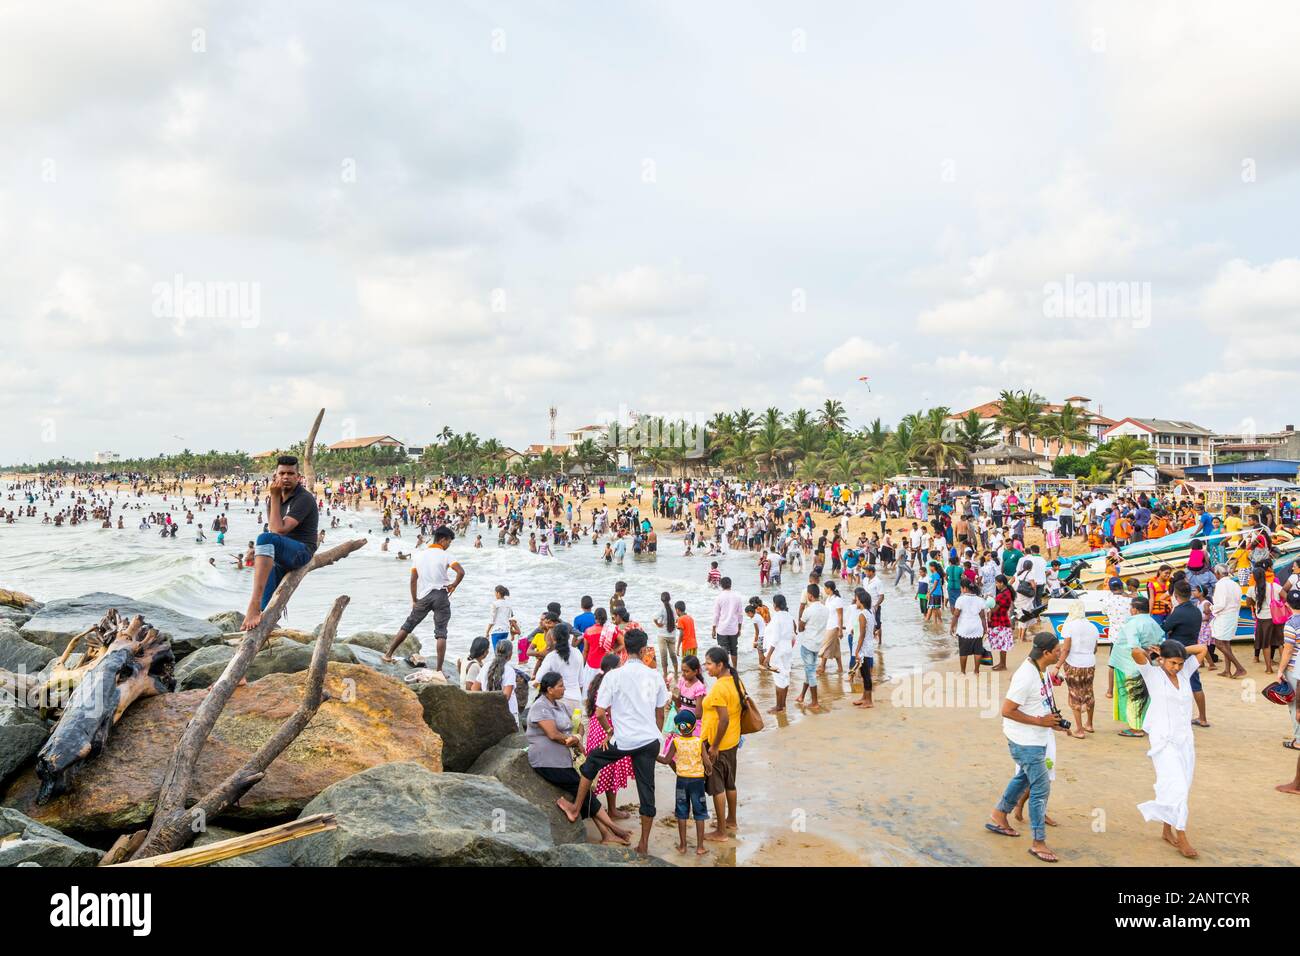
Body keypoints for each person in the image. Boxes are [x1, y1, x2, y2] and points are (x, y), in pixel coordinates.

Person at [558, 630, 668, 855]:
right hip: (649, 740)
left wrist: (609, 731)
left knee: (591, 764)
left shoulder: (613, 676)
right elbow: (660, 714)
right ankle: (644, 844)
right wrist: (654, 733)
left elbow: (599, 712)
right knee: (647, 790)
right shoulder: (654, 675)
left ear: (624, 649)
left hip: (624, 739)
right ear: (645, 649)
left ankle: (575, 807)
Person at [527, 672, 631, 846]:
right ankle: (612, 828)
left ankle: (607, 833)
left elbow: (580, 724)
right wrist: (571, 739)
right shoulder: (540, 707)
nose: (564, 688)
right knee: (582, 790)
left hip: (564, 761)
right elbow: (552, 734)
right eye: (560, 685)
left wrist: (577, 737)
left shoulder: (561, 706)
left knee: (581, 793)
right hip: (547, 762)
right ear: (549, 689)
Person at [986, 632, 1065, 863]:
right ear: (1046, 653)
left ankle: (999, 815)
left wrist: (1054, 723)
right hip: (1024, 740)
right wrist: (1040, 722)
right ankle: (1038, 842)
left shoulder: (1039, 670)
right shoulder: (1026, 675)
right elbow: (1007, 710)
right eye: (1057, 650)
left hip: (1036, 737)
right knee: (1041, 788)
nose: (1060, 653)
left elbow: (1039, 702)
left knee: (1024, 778)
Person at [1131, 639, 1210, 858]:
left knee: (1180, 784)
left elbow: (1203, 648)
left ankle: (1166, 829)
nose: (1176, 667)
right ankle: (1181, 835)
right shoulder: (1153, 675)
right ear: (1162, 660)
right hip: (1163, 742)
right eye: (1173, 663)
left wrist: (1180, 651)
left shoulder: (1185, 674)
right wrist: (1155, 651)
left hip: (1185, 740)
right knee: (1177, 786)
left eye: (1180, 663)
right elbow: (1135, 653)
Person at [241, 455, 319, 631]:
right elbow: (274, 531)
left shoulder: (304, 498)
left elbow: (278, 530)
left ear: (298, 477)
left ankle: (253, 605)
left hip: (301, 552)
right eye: (282, 473)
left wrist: (275, 497)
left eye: (291, 473)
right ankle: (265, 620)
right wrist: (258, 550)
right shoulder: (273, 499)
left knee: (264, 538)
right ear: (275, 475)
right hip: (283, 552)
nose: (286, 477)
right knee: (268, 596)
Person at [383, 526, 463, 669]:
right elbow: (461, 572)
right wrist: (453, 585)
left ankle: (388, 654)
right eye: (449, 542)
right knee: (441, 633)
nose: (449, 545)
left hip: (424, 596)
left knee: (408, 625)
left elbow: (413, 580)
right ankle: (439, 670)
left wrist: (414, 600)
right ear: (443, 539)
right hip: (441, 595)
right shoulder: (446, 555)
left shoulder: (419, 555)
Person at [701, 646, 743, 841]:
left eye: (709, 664)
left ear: (720, 664)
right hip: (733, 739)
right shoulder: (735, 681)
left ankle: (721, 831)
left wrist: (714, 746)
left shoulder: (719, 687)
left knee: (717, 786)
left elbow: (723, 719)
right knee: (730, 783)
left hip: (720, 743)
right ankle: (731, 820)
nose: (706, 667)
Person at [657, 709, 712, 855]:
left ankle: (683, 846)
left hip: (681, 781)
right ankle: (700, 847)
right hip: (697, 782)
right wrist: (709, 769)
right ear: (694, 727)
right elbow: (707, 762)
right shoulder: (699, 742)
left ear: (678, 728)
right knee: (699, 813)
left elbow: (666, 760)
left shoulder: (676, 741)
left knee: (682, 812)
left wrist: (653, 755)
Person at [1112, 597, 1165, 737]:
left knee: (1133, 694)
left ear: (1134, 609)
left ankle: (1136, 728)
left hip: (1130, 664)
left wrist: (1145, 655)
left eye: (1131, 608)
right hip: (1149, 664)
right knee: (1144, 694)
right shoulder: (1153, 622)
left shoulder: (1133, 623)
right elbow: (1161, 641)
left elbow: (1133, 646)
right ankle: (1143, 723)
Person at [1161, 579, 1210, 727]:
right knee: (1195, 684)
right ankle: (1202, 718)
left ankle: (1172, 717)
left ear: (1176, 595)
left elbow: (1165, 627)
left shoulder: (1179, 611)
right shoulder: (1196, 610)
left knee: (1169, 683)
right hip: (1192, 649)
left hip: (1176, 651)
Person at [1054, 603, 1099, 737]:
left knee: (1075, 695)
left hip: (1074, 664)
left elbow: (1066, 649)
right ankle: (1089, 724)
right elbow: (1095, 649)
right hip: (1089, 664)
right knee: (1088, 693)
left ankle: (1079, 730)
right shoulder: (1092, 626)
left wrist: (1057, 666)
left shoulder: (1069, 626)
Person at [1276, 590, 1300, 795]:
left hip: (1295, 669)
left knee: (1294, 706)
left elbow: (1288, 649)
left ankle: (1298, 738)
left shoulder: (1292, 623)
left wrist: (1280, 670)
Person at [536, 622, 584, 714]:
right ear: (569, 637)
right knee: (575, 728)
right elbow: (581, 682)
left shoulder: (552, 656)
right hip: (576, 700)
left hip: (558, 700)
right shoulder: (578, 653)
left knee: (558, 728)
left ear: (553, 638)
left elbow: (539, 678)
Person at [1210, 564, 1248, 679]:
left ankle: (1239, 667)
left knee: (1219, 643)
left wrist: (1211, 609)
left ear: (1217, 573)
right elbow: (1239, 600)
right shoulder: (1234, 584)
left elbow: (1220, 604)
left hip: (1224, 615)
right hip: (1233, 614)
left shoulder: (1221, 585)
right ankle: (1227, 670)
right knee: (1226, 643)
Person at [796, 582, 828, 712]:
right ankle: (802, 695)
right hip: (818, 643)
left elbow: (800, 628)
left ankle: (815, 702)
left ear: (810, 596)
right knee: (808, 670)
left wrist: (800, 623)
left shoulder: (808, 610)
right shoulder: (825, 609)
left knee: (810, 672)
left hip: (808, 644)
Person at [764, 593, 795, 713]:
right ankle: (783, 704)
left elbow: (775, 638)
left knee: (778, 679)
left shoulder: (777, 617)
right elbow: (792, 635)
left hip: (778, 651)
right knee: (785, 676)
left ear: (775, 605)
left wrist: (768, 656)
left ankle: (779, 706)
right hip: (787, 649)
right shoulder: (788, 616)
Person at [950, 578, 987, 674]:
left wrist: (952, 627)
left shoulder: (960, 599)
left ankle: (963, 671)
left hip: (964, 629)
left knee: (963, 651)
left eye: (961, 588)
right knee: (978, 651)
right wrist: (985, 628)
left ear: (965, 588)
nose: (961, 590)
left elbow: (956, 615)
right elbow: (982, 617)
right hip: (977, 628)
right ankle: (976, 671)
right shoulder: (980, 599)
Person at [849, 587, 875, 707]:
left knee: (866, 674)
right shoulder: (870, 612)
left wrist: (857, 650)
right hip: (869, 646)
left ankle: (869, 700)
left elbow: (862, 634)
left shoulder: (862, 614)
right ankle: (864, 697)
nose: (856, 601)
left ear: (861, 602)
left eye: (857, 600)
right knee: (865, 674)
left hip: (864, 647)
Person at [711, 576, 744, 668]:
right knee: (734, 650)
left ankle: (725, 670)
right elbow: (740, 614)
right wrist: (739, 628)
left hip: (722, 629)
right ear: (731, 584)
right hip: (733, 629)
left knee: (723, 650)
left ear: (721, 585)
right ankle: (735, 669)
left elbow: (716, 615)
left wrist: (714, 628)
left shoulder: (719, 597)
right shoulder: (737, 597)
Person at [654, 591, 680, 681]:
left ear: (661, 600)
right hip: (672, 635)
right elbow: (677, 620)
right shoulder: (673, 608)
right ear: (670, 599)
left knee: (663, 655)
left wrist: (658, 625)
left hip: (662, 635)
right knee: (673, 654)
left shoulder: (661, 609)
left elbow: (654, 619)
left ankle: (665, 675)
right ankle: (676, 673)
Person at [485, 584, 517, 651]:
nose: (495, 595)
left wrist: (487, 632)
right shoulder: (509, 604)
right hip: (505, 631)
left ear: (498, 593)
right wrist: (512, 634)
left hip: (496, 631)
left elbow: (492, 620)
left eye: (495, 593)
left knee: (497, 653)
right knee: (503, 653)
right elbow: (511, 619)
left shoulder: (495, 604)